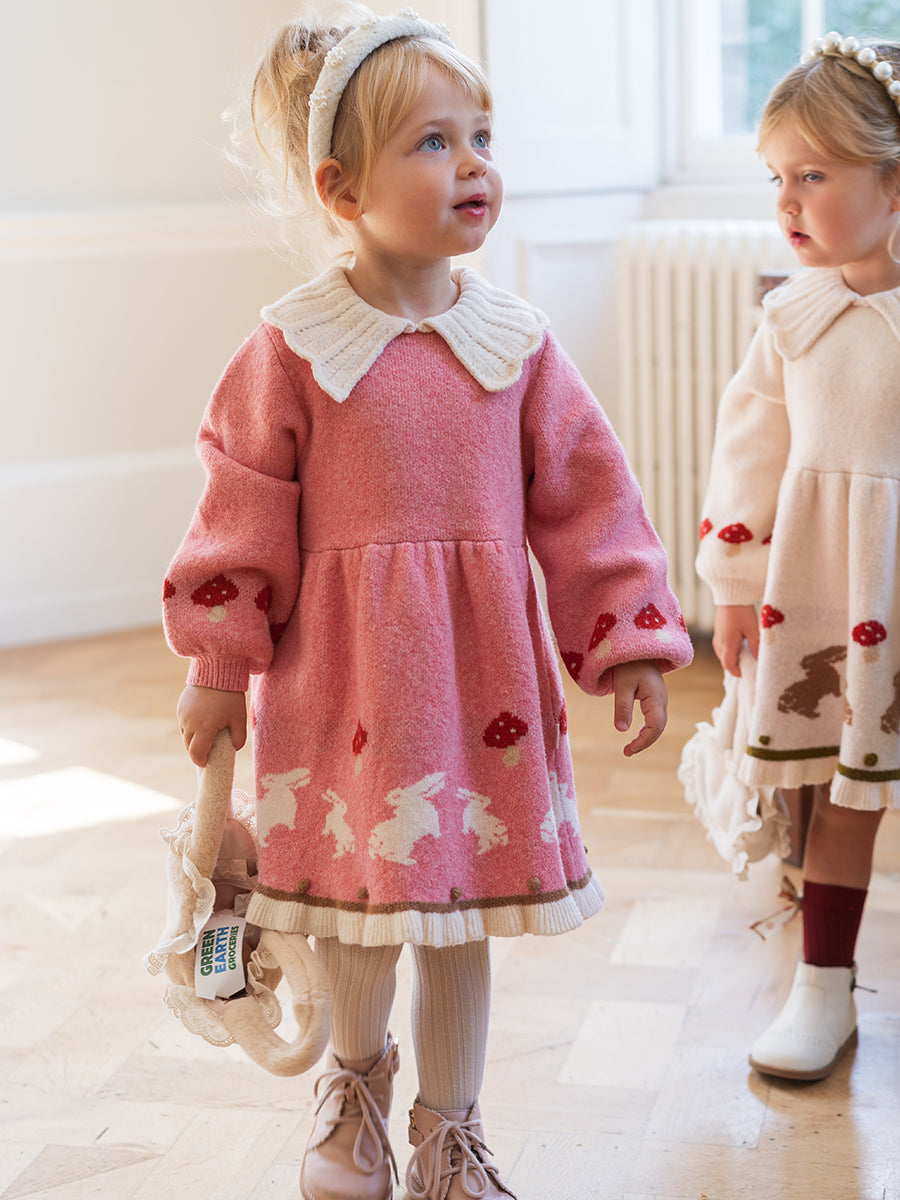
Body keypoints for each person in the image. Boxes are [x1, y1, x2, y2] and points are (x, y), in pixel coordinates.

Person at [163, 6, 693, 1197]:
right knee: (354, 908)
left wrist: (627, 640)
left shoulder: (518, 345)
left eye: (481, 138)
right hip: (343, 686)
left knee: (461, 915)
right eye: (435, 144)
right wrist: (218, 664)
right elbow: (238, 515)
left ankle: (449, 1130)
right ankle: (351, 1091)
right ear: (342, 189)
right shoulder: (292, 352)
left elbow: (591, 501)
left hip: (476, 688)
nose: (473, 166)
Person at [696, 31, 900, 1083]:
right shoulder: (792, 317)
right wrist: (735, 586)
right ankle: (823, 986)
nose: (787, 201)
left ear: (894, 181)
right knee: (842, 793)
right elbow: (750, 453)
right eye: (777, 178)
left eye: (813, 176)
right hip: (832, 591)